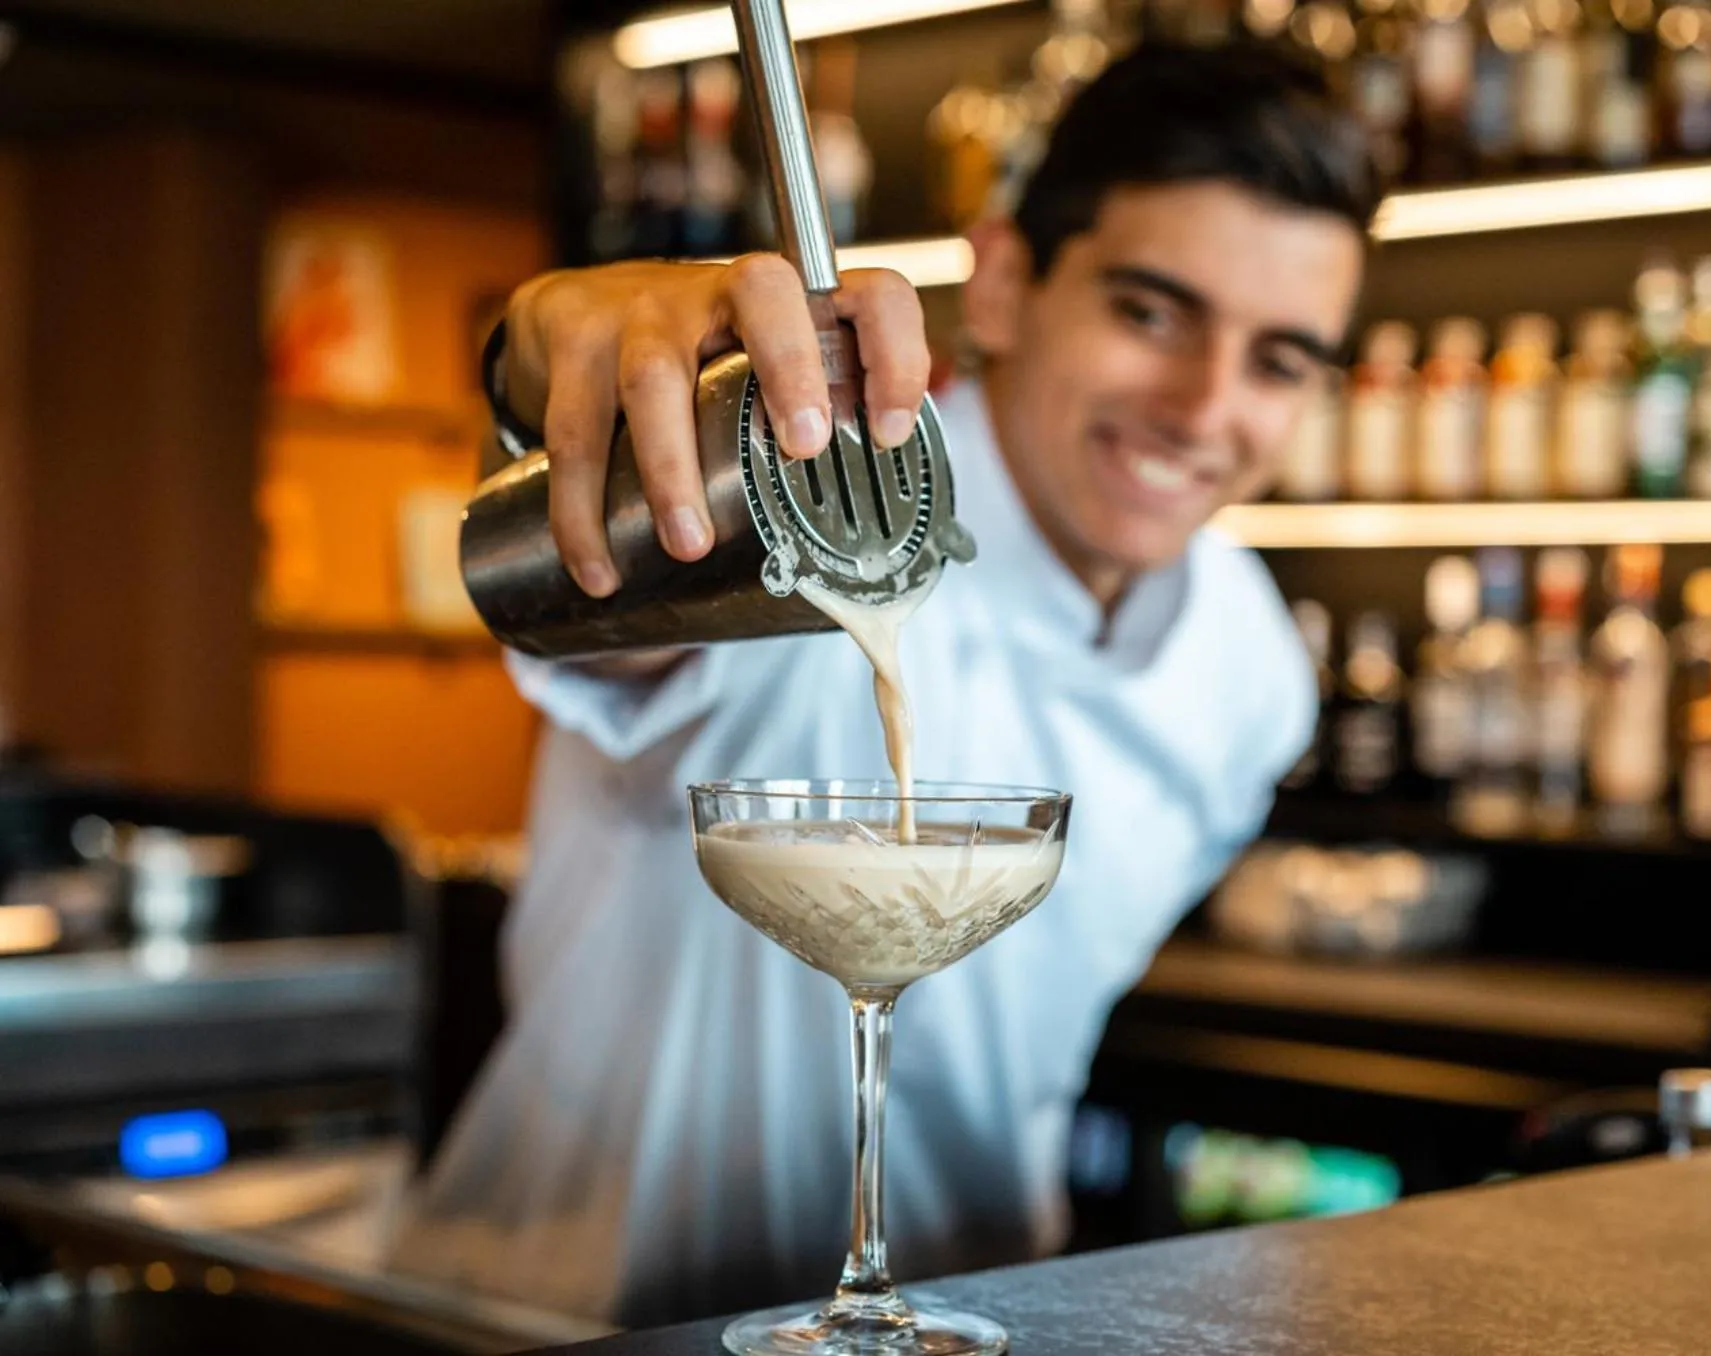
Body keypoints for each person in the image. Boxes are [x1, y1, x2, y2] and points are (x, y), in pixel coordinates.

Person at [394, 40, 1374, 1327]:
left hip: (978, 1314)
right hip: (578, 1313)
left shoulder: (1249, 666)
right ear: (1010, 281)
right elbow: (609, 576)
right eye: (1150, 313)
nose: (1205, 406)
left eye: (1280, 361)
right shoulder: (812, 493)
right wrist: (541, 361)